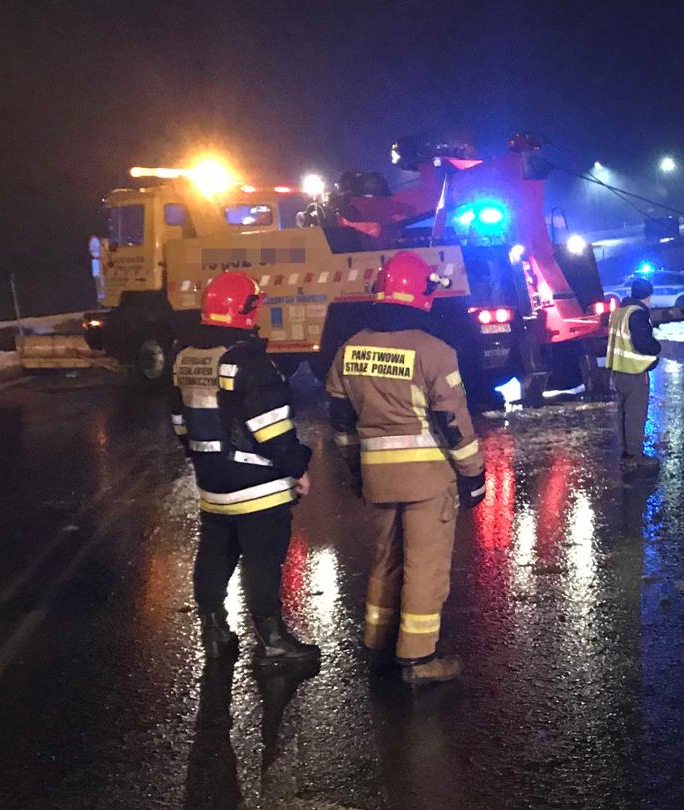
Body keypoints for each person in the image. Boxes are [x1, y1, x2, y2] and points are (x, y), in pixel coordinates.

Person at [325, 252, 486, 686]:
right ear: (421, 295)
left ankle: (376, 641)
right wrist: (473, 474)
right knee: (425, 567)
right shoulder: (434, 352)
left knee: (384, 560)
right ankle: (417, 660)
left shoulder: (349, 350)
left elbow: (341, 423)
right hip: (428, 480)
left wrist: (356, 471)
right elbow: (453, 425)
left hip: (377, 477)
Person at [170, 270, 318, 666]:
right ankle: (273, 642)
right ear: (247, 310)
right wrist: (298, 465)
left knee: (215, 554)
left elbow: (180, 423)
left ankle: (215, 631)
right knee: (263, 559)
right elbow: (271, 430)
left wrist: (206, 459)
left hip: (211, 482)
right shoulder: (248, 361)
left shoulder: (185, 358)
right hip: (257, 486)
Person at [606, 277, 662, 467]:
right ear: (647, 296)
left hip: (618, 370)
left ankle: (626, 450)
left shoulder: (619, 312)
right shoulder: (637, 313)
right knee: (636, 413)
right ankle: (635, 455)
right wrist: (656, 348)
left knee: (622, 411)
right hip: (635, 371)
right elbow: (643, 343)